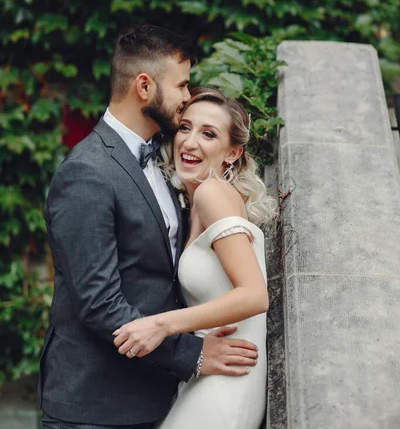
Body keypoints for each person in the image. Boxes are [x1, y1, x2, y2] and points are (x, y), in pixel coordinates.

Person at [38, 26, 259, 429]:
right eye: (181, 85)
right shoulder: (87, 174)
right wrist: (192, 353)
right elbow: (99, 303)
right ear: (144, 86)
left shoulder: (169, 161)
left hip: (157, 396)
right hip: (97, 405)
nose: (187, 98)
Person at [113, 86, 273, 429]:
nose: (189, 142)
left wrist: (161, 325)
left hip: (228, 384)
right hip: (212, 373)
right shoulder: (196, 201)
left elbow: (254, 295)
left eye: (208, 134)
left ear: (232, 153)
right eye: (185, 127)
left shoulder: (213, 194)